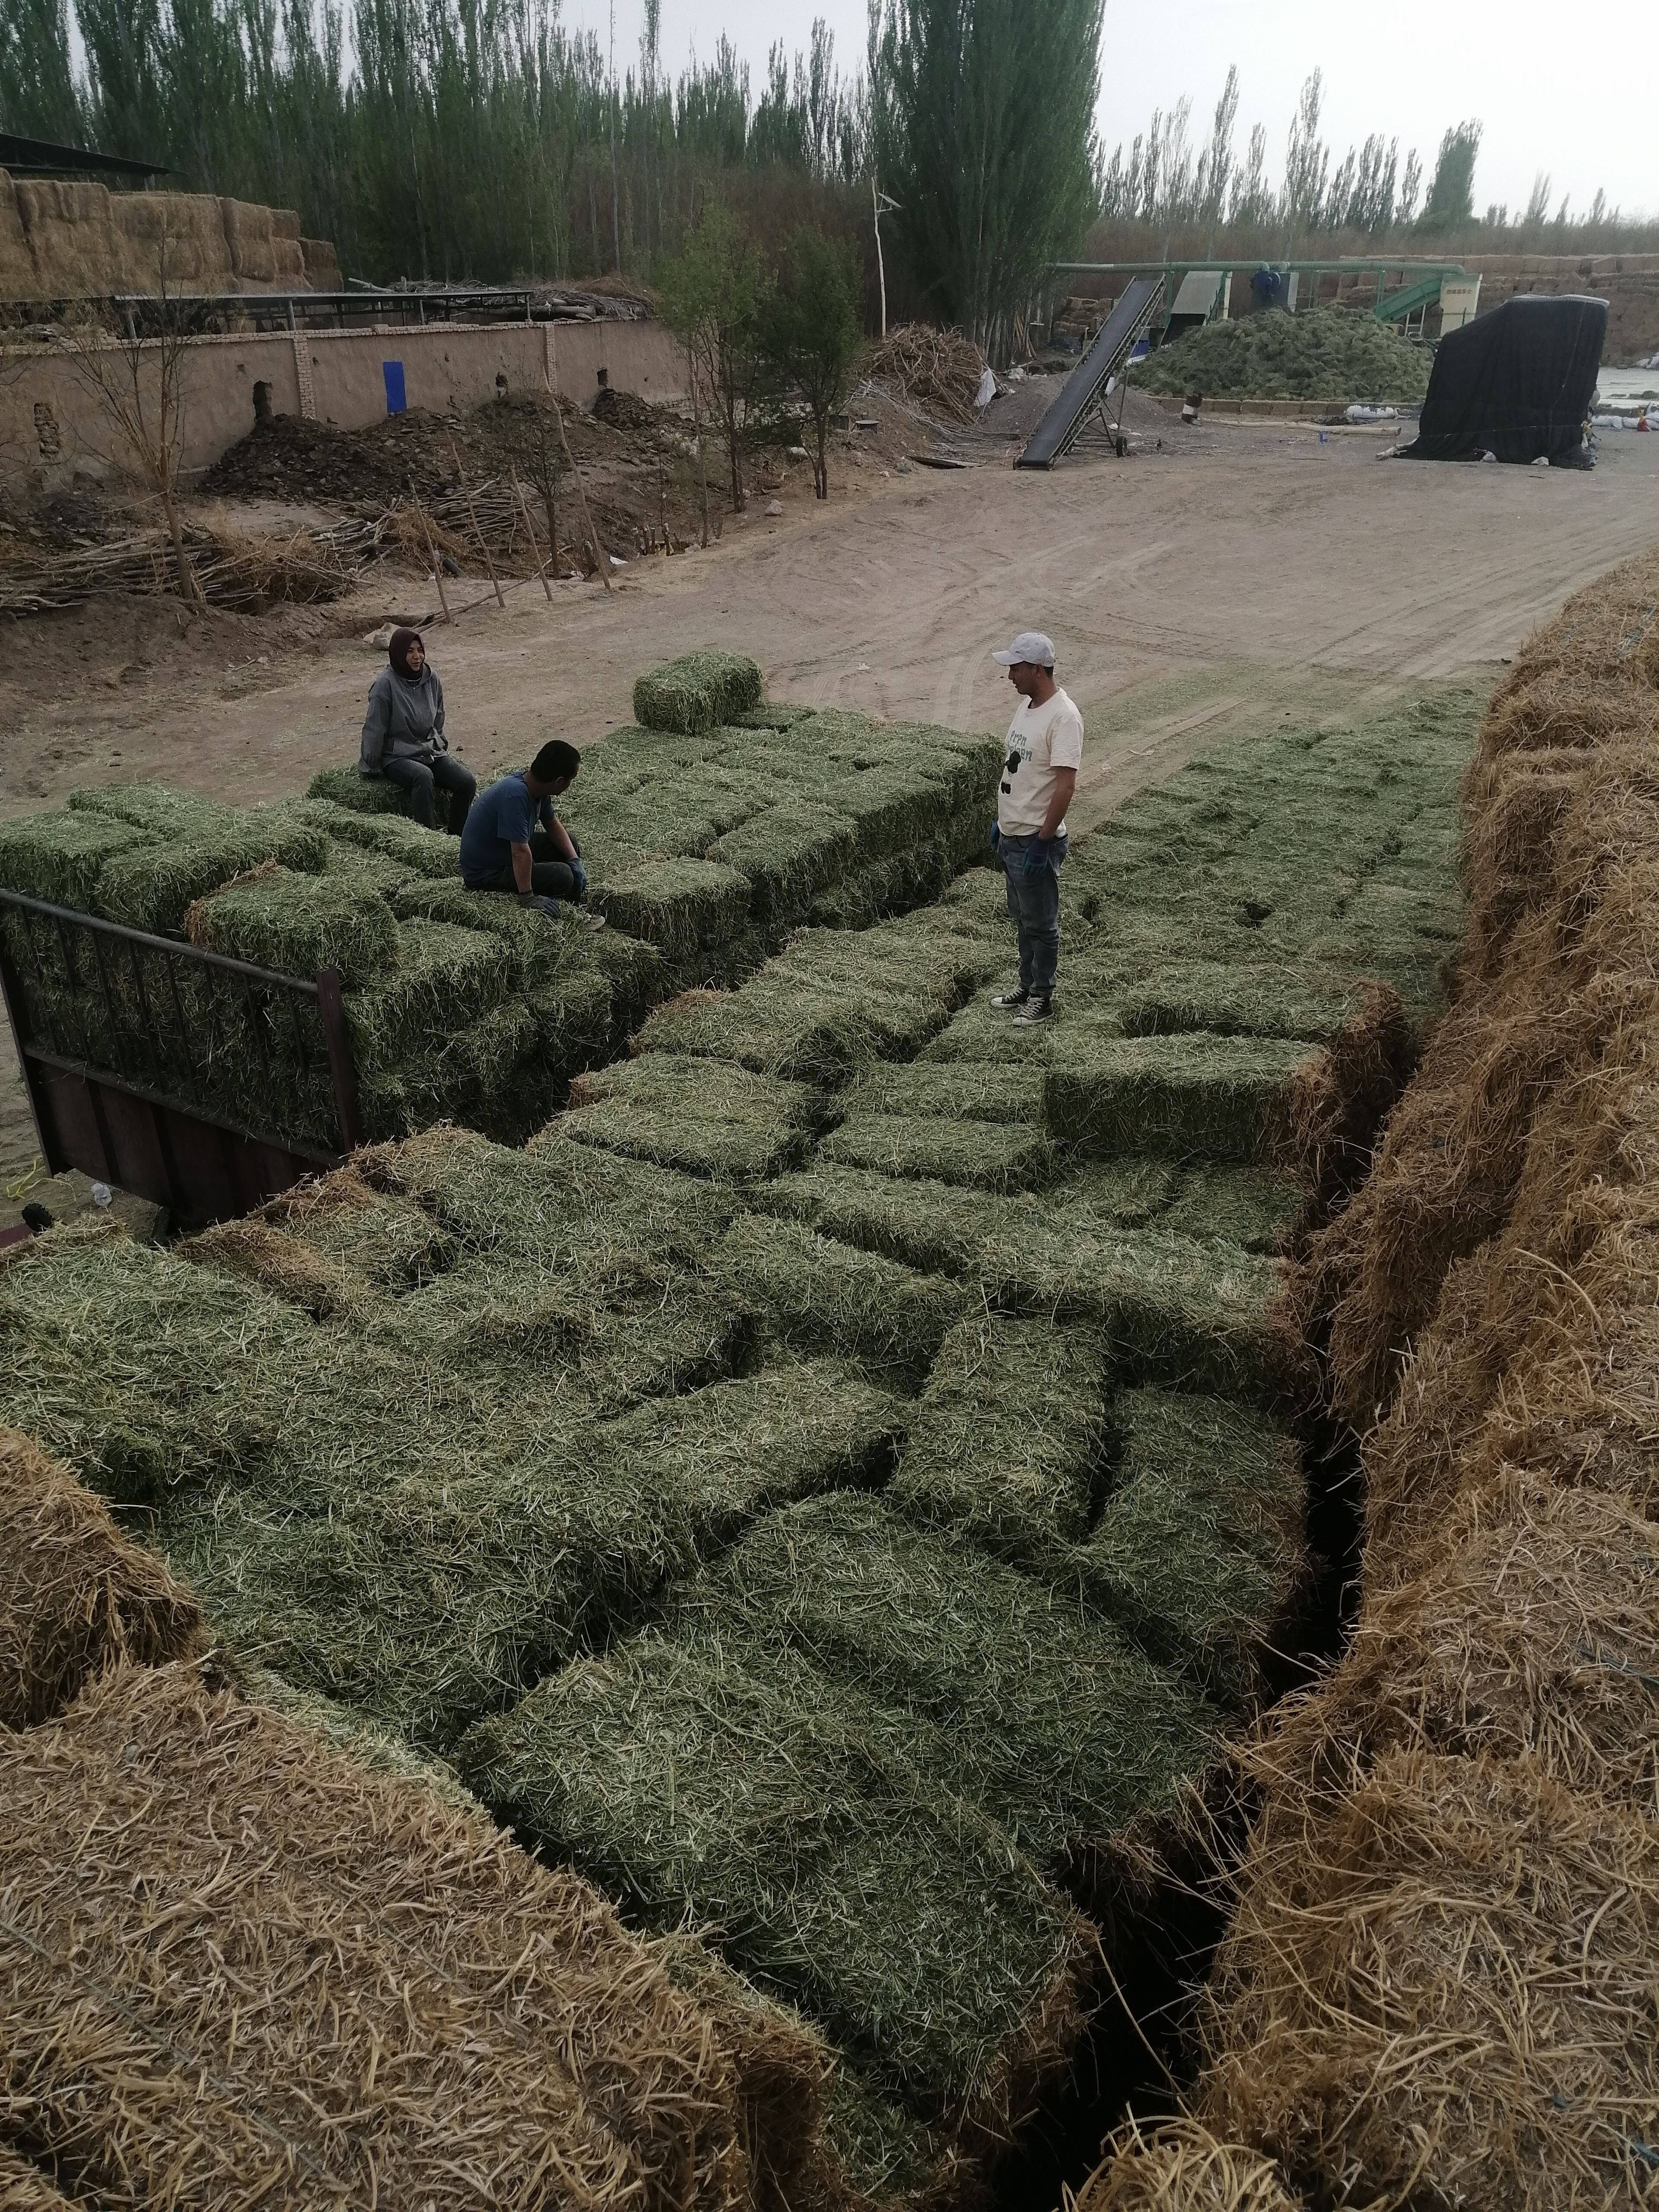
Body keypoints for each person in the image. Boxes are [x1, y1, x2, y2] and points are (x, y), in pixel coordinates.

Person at [987, 629, 1083, 1025]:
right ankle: (1026, 985)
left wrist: (1044, 840)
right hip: (1013, 836)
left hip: (1034, 841)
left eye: (1015, 667)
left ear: (1037, 669)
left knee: (1042, 925)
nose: (1009, 675)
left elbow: (1065, 785)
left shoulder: (1064, 717)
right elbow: (1021, 767)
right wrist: (1003, 820)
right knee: (1022, 920)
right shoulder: (1027, 708)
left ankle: (1042, 998)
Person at [459, 740, 606, 928]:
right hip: (486, 871)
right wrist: (528, 897)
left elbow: (552, 824)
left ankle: (576, 902)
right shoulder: (515, 795)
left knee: (570, 844)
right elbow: (520, 852)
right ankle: (573, 918)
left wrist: (574, 860)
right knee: (562, 876)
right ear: (559, 781)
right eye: (570, 781)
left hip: (503, 851)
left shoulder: (536, 788)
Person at [359, 627, 476, 836]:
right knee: (423, 777)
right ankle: (428, 839)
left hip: (428, 750)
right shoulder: (384, 686)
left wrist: (439, 744)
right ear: (397, 653)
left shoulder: (432, 680)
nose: (417, 657)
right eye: (410, 651)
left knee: (466, 782)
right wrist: (371, 765)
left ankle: (457, 838)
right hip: (396, 756)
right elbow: (374, 728)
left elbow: (438, 717)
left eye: (420, 650)